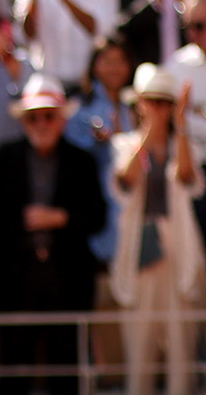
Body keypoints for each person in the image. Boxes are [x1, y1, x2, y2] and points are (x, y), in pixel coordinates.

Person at [0, 74, 107, 395]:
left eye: (49, 116)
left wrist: (60, 218)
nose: (41, 124)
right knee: (14, 366)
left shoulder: (81, 162)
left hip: (67, 279)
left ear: (62, 119)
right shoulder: (5, 156)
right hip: (14, 279)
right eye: (33, 117)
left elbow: (98, 215)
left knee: (65, 366)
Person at [108, 64, 201, 395]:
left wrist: (180, 127)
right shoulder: (125, 144)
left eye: (165, 101)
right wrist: (150, 130)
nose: (158, 108)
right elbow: (125, 181)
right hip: (140, 255)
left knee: (181, 351)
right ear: (139, 103)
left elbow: (189, 179)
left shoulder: (181, 145)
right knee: (140, 353)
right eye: (152, 100)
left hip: (177, 253)